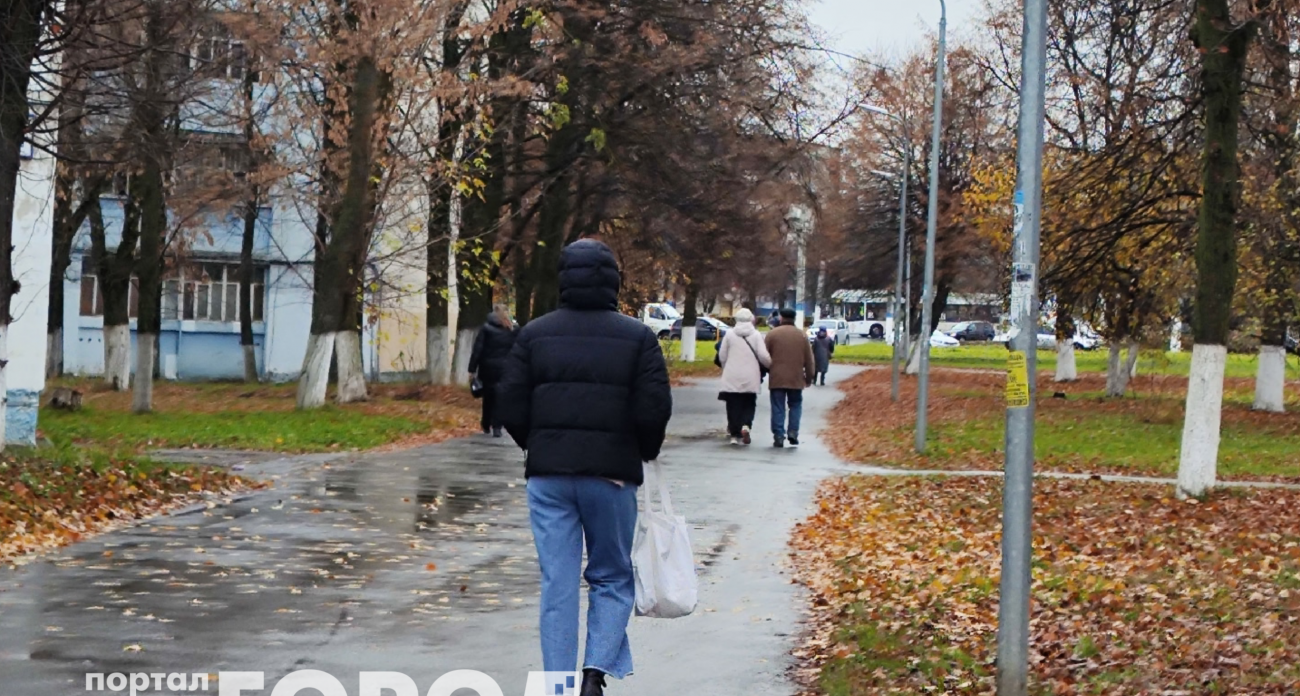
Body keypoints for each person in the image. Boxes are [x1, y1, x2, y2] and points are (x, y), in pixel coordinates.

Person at [497, 239, 673, 696]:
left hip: (549, 479)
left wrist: (537, 447)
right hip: (611, 478)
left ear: (562, 279)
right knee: (612, 575)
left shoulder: (533, 334)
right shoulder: (639, 338)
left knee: (557, 582)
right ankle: (594, 673)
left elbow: (510, 403)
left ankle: (557, 683)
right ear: (614, 281)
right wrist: (641, 450)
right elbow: (654, 409)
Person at [717, 308, 771, 445]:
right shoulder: (756, 335)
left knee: (733, 405)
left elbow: (722, 355)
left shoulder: (729, 334)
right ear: (751, 319)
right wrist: (770, 365)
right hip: (751, 375)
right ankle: (746, 425)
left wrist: (726, 368)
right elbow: (763, 356)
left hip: (732, 374)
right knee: (749, 402)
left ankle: (734, 435)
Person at [764, 308, 815, 448]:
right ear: (794, 319)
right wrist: (809, 377)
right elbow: (809, 360)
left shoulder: (772, 335)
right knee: (795, 405)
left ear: (781, 318)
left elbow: (764, 356)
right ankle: (793, 432)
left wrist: (766, 371)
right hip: (796, 378)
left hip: (777, 378)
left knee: (778, 406)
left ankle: (778, 435)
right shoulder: (802, 336)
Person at [468, 305, 517, 437]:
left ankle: (485, 424)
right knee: (500, 397)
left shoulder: (486, 328)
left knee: (488, 397)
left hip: (487, 368)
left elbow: (478, 349)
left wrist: (472, 369)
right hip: (505, 369)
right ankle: (497, 426)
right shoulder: (512, 329)